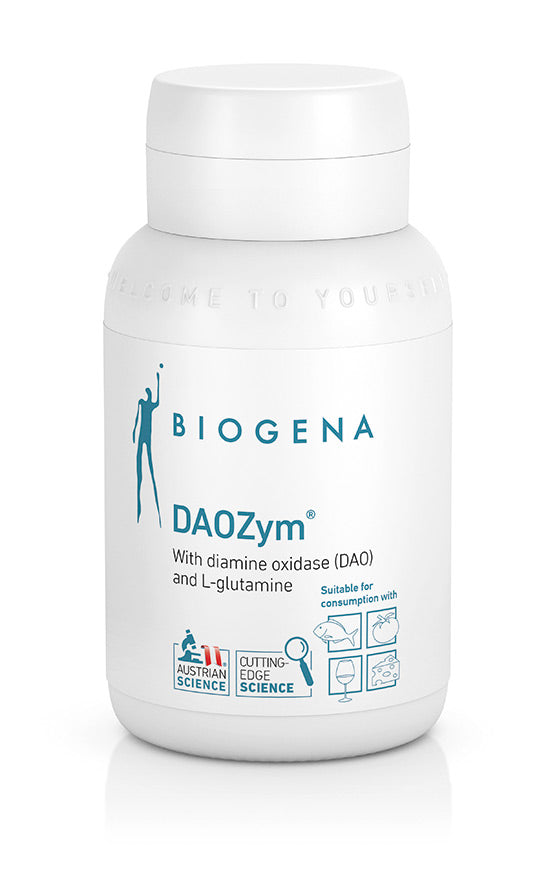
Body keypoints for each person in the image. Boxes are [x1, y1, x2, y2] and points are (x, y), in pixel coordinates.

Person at [132, 369, 161, 526]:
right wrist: (133, 432)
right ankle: (138, 511)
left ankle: (155, 511)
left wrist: (159, 381)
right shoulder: (143, 403)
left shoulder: (149, 405)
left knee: (150, 465)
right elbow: (137, 417)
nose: (148, 394)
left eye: (149, 392)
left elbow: (158, 402)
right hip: (142, 436)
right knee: (139, 469)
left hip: (147, 437)